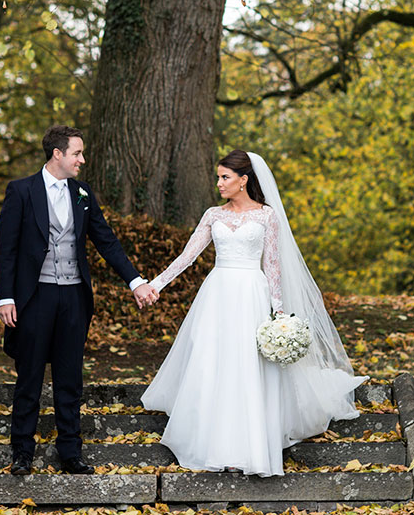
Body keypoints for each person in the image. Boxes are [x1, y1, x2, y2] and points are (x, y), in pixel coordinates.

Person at [141, 150, 367, 476]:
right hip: (218, 294)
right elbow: (187, 256)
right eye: (218, 177)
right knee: (212, 362)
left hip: (252, 295)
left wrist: (279, 314)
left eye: (225, 177)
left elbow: (272, 265)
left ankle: (248, 446)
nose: (219, 183)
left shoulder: (266, 216)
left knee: (247, 366)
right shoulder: (213, 215)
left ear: (243, 180)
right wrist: (156, 284)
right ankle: (211, 442)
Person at [0, 125, 158, 475]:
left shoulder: (83, 193)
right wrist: (6, 297)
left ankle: (70, 452)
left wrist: (135, 281)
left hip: (73, 296)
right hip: (35, 297)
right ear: (58, 154)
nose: (82, 160)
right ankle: (22, 452)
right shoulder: (21, 191)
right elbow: (6, 249)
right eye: (77, 153)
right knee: (29, 377)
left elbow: (106, 240)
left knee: (70, 378)